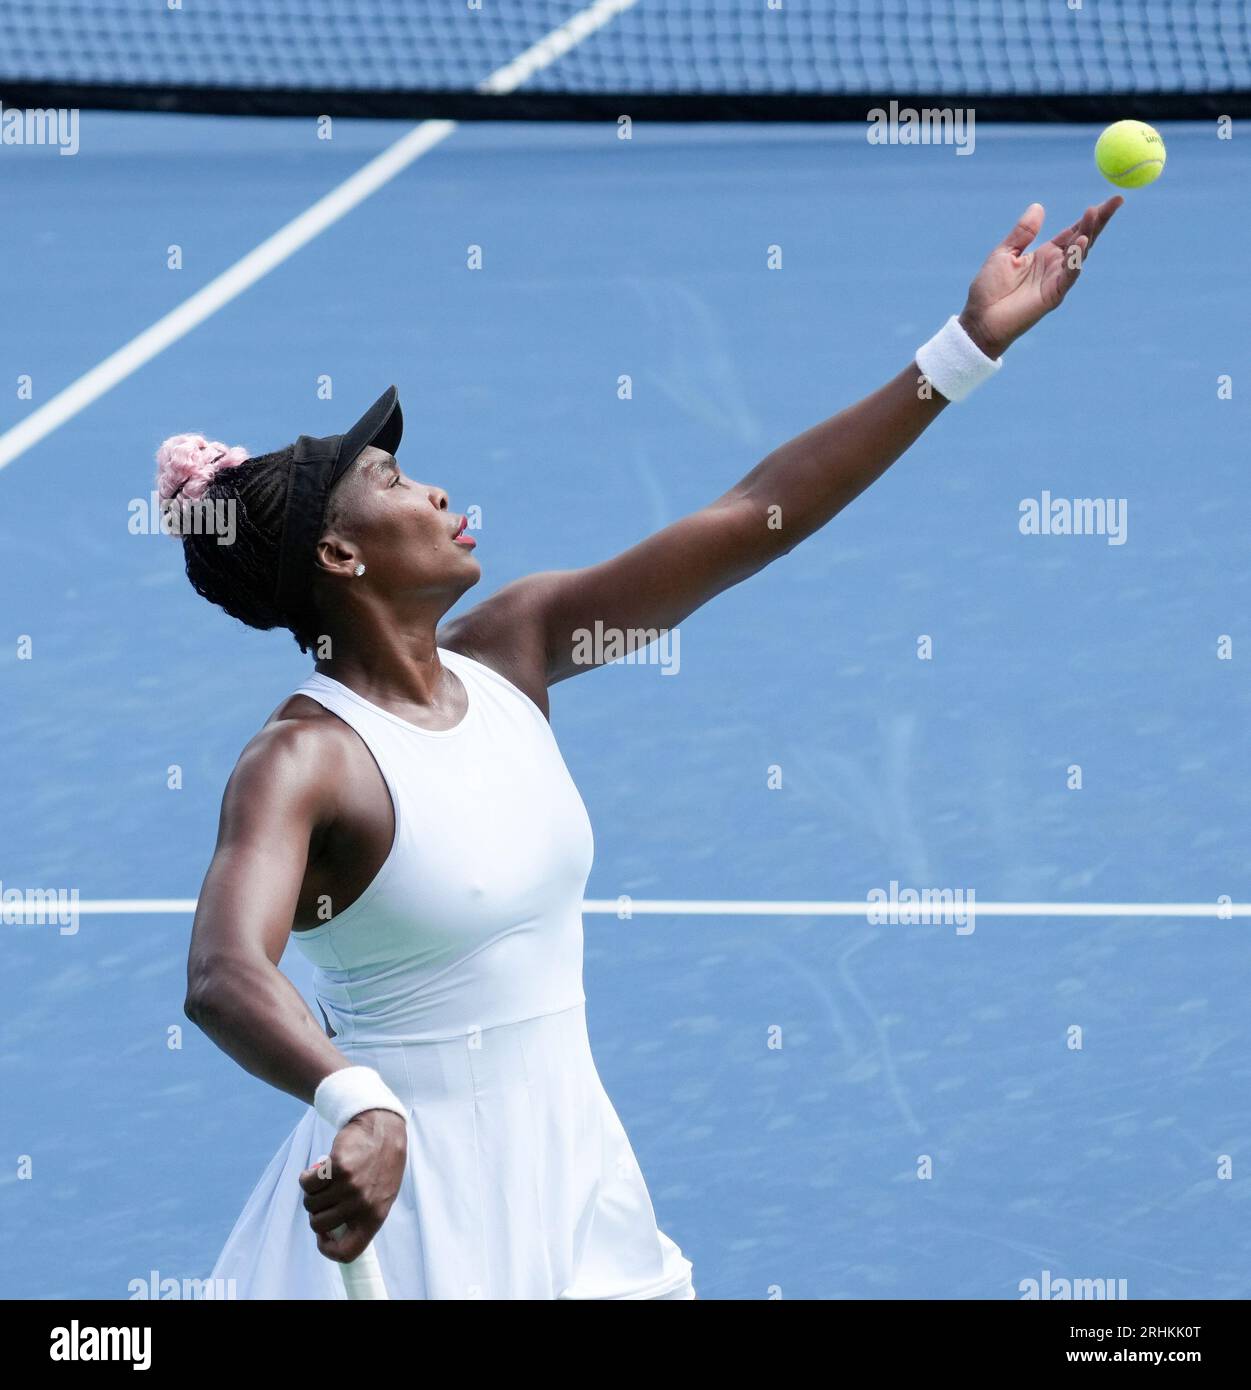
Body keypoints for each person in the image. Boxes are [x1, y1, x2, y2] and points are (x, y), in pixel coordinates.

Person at [174, 198, 1121, 1299]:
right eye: (392, 483)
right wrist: (353, 1097)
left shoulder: (513, 651)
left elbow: (754, 514)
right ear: (340, 552)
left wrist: (966, 348)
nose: (434, 489)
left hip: (575, 1182)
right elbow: (223, 973)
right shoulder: (304, 760)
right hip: (414, 1210)